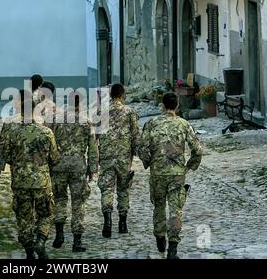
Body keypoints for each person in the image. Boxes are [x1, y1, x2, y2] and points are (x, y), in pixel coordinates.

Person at [0, 89, 59, 259]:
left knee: (23, 217)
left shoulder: (12, 130)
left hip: (20, 181)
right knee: (46, 214)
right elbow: (54, 157)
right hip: (42, 181)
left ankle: (29, 250)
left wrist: (1, 167)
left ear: (21, 110)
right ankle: (40, 240)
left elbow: (4, 151)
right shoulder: (46, 132)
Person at [138, 92, 203, 259]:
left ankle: (160, 237)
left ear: (163, 105)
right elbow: (197, 150)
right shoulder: (184, 124)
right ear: (177, 106)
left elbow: (142, 148)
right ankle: (173, 248)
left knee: (158, 206)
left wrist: (149, 163)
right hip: (176, 174)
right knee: (176, 210)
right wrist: (189, 166)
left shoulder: (151, 124)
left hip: (158, 173)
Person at [50, 93, 98, 252]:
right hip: (78, 166)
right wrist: (92, 169)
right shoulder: (86, 123)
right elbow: (92, 149)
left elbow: (50, 145)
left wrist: (50, 164)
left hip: (59, 166)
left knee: (59, 199)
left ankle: (59, 234)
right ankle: (77, 241)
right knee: (79, 202)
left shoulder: (56, 120)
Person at [97, 83, 140, 238]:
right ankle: (123, 223)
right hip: (123, 157)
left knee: (107, 189)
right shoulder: (129, 112)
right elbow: (136, 136)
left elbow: (95, 136)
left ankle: (107, 220)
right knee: (123, 189)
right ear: (122, 95)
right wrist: (138, 154)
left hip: (107, 156)